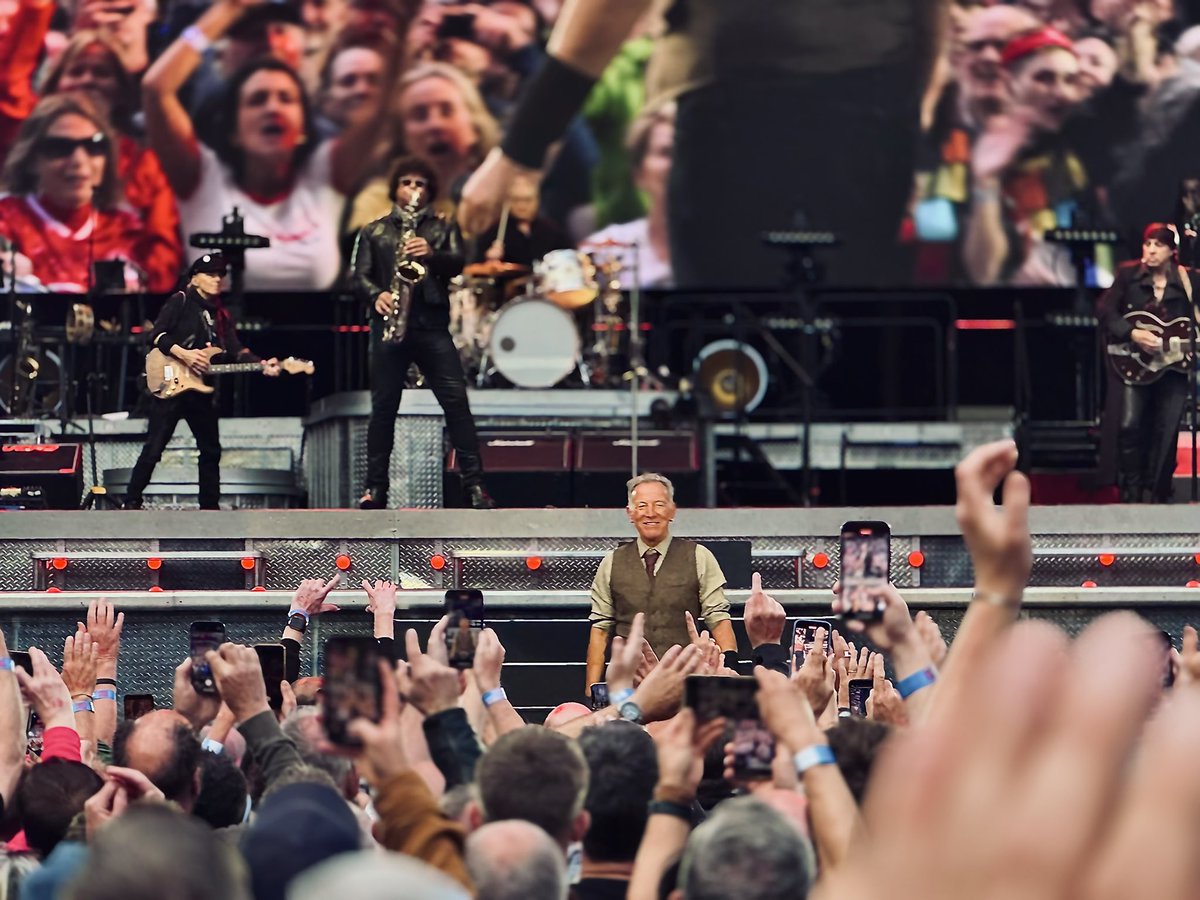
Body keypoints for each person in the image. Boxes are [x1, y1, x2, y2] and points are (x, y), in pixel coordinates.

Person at [458, 0, 942, 287]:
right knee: (853, 344)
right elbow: (928, 20)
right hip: (872, 109)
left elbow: (610, 10)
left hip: (739, 118)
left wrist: (521, 149)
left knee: (728, 360)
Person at [141, 0, 385, 291]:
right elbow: (156, 89)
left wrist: (404, 31)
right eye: (257, 100)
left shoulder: (324, 174)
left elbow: (384, 110)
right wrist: (228, 9)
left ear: (305, 129)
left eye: (286, 98)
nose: (273, 108)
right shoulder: (203, 179)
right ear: (233, 130)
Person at [350, 156, 494, 510]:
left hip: (431, 326)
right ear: (395, 188)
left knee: (457, 404)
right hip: (391, 327)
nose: (413, 190)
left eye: (420, 184)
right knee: (383, 408)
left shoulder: (442, 228)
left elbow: (458, 262)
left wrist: (433, 253)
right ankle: (375, 489)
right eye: (407, 183)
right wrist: (376, 294)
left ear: (429, 191)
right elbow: (359, 275)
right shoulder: (375, 230)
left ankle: (474, 486)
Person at [123, 252, 281, 510]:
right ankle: (131, 501)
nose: (217, 279)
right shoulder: (181, 301)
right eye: (210, 274)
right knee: (155, 447)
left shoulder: (221, 315)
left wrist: (262, 363)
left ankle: (209, 507)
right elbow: (157, 335)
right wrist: (184, 354)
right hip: (171, 385)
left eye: (220, 275)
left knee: (210, 449)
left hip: (200, 390)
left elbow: (235, 349)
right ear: (194, 278)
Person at [0, 93, 175, 292]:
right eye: (60, 147)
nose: (78, 160)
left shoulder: (128, 230)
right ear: (31, 159)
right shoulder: (6, 220)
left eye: (93, 146)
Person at [585, 473, 735, 696]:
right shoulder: (611, 563)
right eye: (642, 506)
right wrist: (591, 692)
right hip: (629, 687)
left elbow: (719, 620)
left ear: (672, 511)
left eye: (659, 505)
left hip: (686, 682)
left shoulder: (698, 557)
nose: (650, 513)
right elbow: (600, 631)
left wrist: (731, 677)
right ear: (630, 513)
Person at [1096, 223, 1195, 503]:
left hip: (1173, 368)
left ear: (1172, 251)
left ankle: (1157, 494)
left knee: (1166, 431)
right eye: (1147, 244)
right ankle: (1132, 491)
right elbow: (1104, 309)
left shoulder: (1189, 279)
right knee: (1129, 425)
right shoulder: (1128, 275)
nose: (1150, 250)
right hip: (1135, 364)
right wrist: (1132, 332)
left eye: (1158, 245)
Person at [580, 102, 674, 288]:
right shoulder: (603, 251)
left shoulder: (731, 253)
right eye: (666, 152)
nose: (678, 165)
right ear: (638, 173)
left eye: (687, 153)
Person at [476, 173, 571, 269]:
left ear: (537, 201)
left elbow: (570, 257)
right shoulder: (494, 232)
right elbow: (475, 267)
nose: (522, 206)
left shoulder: (552, 230)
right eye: (516, 200)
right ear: (507, 202)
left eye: (527, 200)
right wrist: (488, 258)